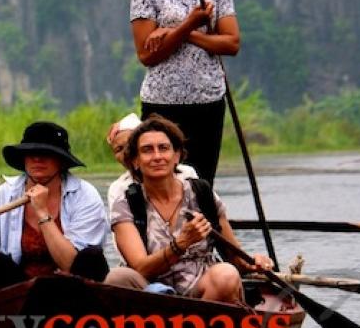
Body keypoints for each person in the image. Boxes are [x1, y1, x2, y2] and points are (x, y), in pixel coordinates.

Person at [129, 0, 241, 186]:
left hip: (209, 100)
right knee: (162, 180)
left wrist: (181, 32)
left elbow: (231, 43)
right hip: (163, 103)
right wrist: (190, 23)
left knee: (202, 182)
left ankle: (200, 229)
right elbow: (147, 55)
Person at [108, 115, 272, 303]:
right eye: (147, 150)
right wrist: (181, 243)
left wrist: (255, 263)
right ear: (135, 161)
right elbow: (140, 267)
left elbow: (235, 258)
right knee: (116, 278)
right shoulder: (126, 201)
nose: (157, 157)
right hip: (149, 292)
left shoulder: (201, 193)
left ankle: (202, 324)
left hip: (201, 290)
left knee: (226, 275)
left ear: (176, 156)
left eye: (164, 148)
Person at [0, 121, 111, 293]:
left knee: (92, 258)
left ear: (60, 161)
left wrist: (42, 213)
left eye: (46, 153)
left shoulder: (85, 195)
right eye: (31, 153)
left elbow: (72, 264)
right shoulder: (5, 194)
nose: (37, 159)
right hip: (22, 295)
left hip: (72, 292)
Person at [105, 112, 198, 209]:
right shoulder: (119, 189)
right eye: (119, 149)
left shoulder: (187, 174)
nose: (125, 153)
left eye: (129, 145)